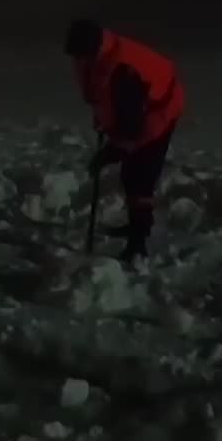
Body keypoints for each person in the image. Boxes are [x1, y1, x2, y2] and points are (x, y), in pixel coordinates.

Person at [64, 19, 185, 263]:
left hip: (158, 114)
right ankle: (137, 224)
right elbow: (102, 96)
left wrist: (111, 151)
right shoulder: (95, 59)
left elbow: (132, 128)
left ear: (91, 49)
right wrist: (105, 122)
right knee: (131, 175)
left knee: (140, 177)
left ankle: (139, 243)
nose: (77, 60)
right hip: (137, 111)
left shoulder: (123, 73)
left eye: (80, 55)